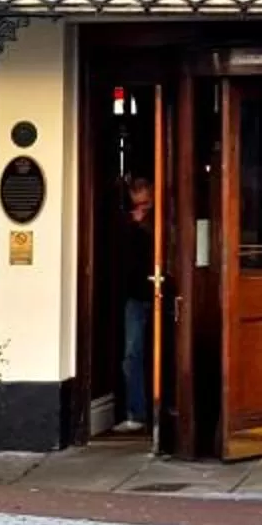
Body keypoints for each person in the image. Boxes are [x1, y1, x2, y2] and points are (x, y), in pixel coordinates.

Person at [116, 175, 155, 433]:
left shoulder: (161, 221)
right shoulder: (128, 226)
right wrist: (134, 226)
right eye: (136, 204)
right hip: (135, 296)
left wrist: (143, 226)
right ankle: (137, 412)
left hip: (161, 293)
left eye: (145, 204)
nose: (140, 210)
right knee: (132, 355)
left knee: (162, 355)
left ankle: (164, 413)